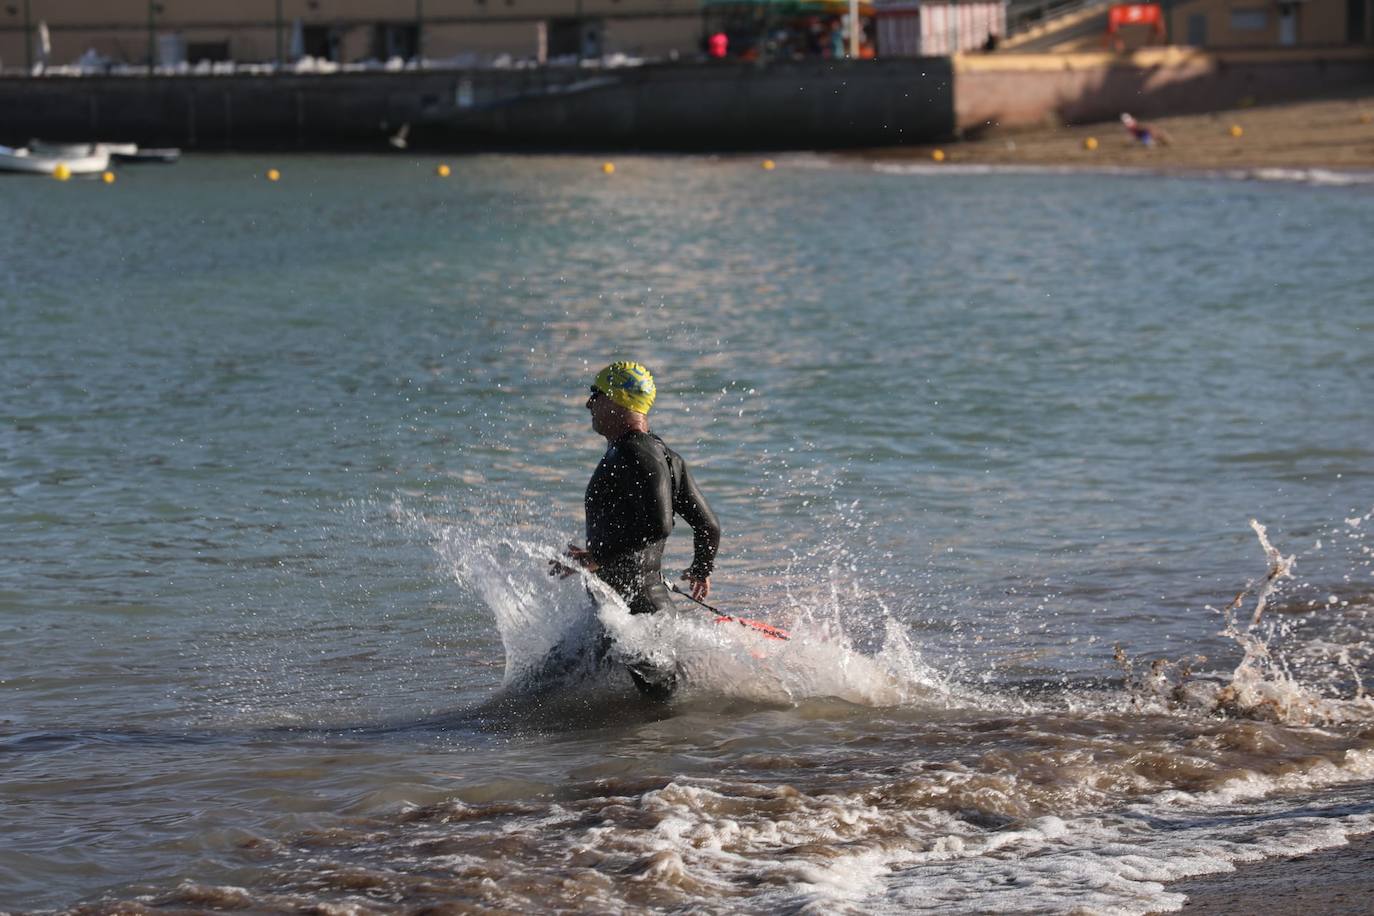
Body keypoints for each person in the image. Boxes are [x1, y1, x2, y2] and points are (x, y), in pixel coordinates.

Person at [549, 362, 720, 696]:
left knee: (663, 711)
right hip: (623, 614)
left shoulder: (635, 453)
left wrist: (598, 557)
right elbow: (708, 527)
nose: (589, 405)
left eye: (594, 395)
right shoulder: (663, 456)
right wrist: (701, 568)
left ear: (617, 401)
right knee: (544, 690)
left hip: (636, 617)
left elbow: (659, 523)